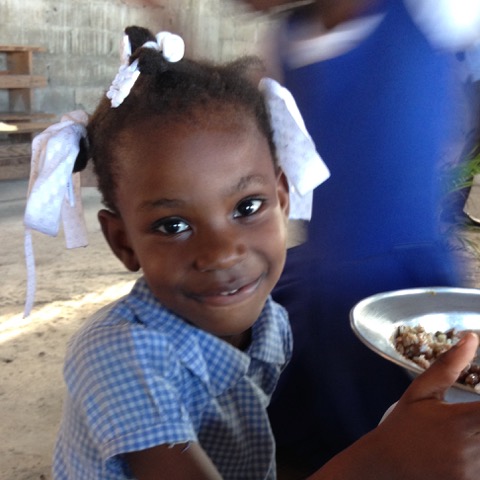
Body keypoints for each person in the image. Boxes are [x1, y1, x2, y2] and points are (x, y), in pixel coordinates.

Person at [24, 25, 480, 480]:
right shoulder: (117, 357)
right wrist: (384, 458)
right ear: (123, 242)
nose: (222, 252)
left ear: (282, 199)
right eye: (173, 225)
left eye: (247, 207)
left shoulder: (269, 321)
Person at [238, 0, 480, 476]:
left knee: (429, 426)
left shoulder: (432, 11)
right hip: (326, 287)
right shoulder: (285, 39)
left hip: (410, 285)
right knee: (346, 435)